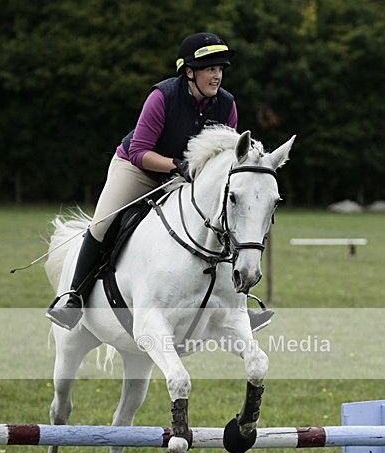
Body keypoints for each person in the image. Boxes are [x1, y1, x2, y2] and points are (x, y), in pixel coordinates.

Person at [46, 31, 273, 332]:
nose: (216, 76)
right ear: (189, 72)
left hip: (188, 178)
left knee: (223, 226)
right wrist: (177, 165)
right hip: (138, 169)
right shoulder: (162, 97)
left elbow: (226, 157)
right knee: (103, 224)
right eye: (209, 69)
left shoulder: (226, 104)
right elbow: (140, 151)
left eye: (219, 69)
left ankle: (238, 307)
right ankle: (73, 298)